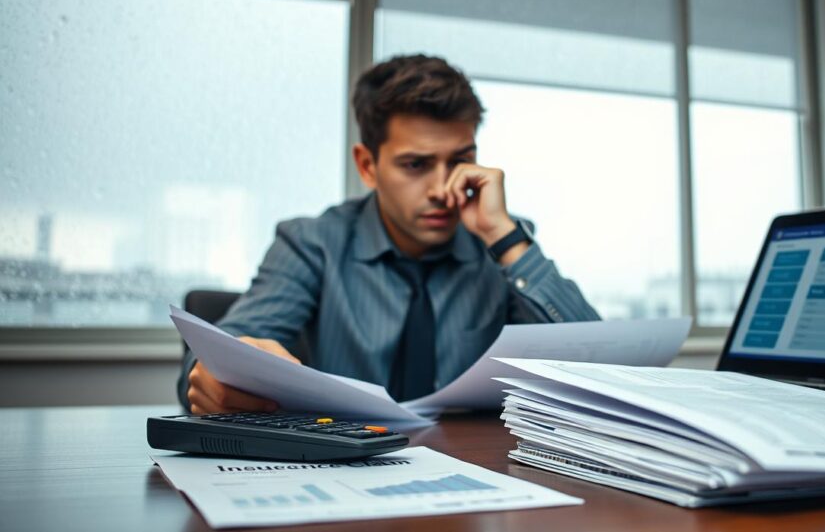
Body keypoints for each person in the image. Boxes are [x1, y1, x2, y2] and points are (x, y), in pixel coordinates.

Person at [178, 54, 600, 414]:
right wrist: (213, 375)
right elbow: (219, 353)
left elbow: (597, 367)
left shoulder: (499, 244)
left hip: (476, 469)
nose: (442, 189)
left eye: (459, 161)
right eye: (416, 165)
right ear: (367, 166)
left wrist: (504, 237)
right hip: (347, 469)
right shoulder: (312, 243)